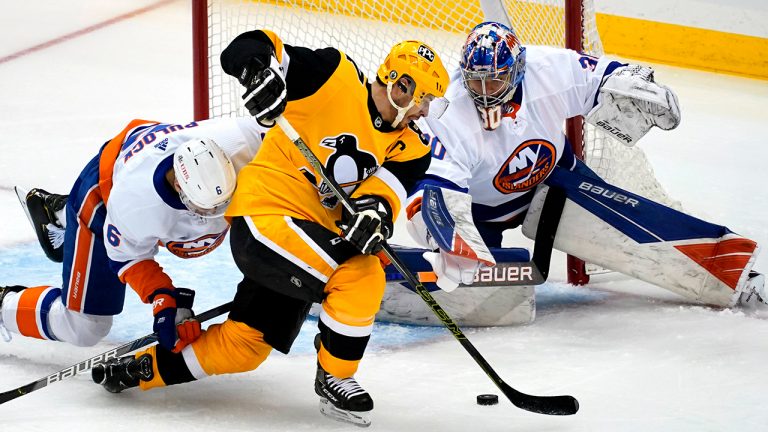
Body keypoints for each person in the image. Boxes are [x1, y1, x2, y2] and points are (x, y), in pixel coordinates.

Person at [90, 29, 449, 427]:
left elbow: (383, 196)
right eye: (425, 98)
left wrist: (374, 214)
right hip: (266, 217)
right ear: (401, 86)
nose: (425, 110)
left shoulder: (413, 147)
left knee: (246, 345)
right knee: (359, 276)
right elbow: (250, 45)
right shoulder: (334, 76)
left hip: (309, 241)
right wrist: (256, 69)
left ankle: (140, 369)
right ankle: (336, 377)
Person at [405, 21, 765, 315]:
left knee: (636, 223)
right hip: (481, 212)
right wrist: (453, 244)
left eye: (495, 80)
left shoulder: (547, 69)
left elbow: (601, 76)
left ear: (517, 71)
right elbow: (437, 193)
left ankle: (739, 278)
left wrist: (630, 82)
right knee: (474, 291)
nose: (484, 92)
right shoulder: (449, 112)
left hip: (555, 183)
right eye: (475, 81)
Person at [0, 117, 265, 351]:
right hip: (102, 201)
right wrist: (163, 298)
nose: (216, 215)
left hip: (137, 157)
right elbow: (128, 257)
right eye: (201, 208)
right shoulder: (135, 204)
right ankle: (4, 304)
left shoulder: (244, 140)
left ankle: (57, 214)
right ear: (177, 184)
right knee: (83, 326)